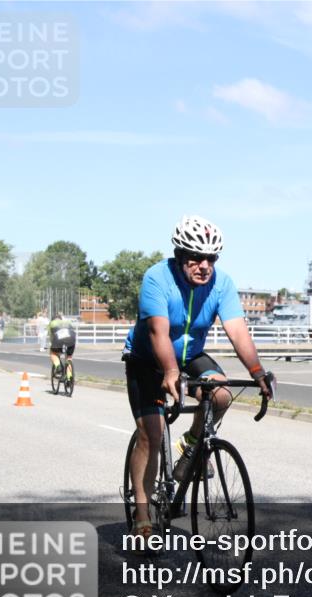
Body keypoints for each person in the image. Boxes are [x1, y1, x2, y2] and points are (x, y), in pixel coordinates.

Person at [124, 215, 271, 544]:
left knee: (219, 394)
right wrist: (171, 372)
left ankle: (191, 449)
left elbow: (237, 330)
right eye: (195, 258)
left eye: (211, 258)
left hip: (190, 355)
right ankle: (143, 514)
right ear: (179, 255)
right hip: (148, 359)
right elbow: (157, 331)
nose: (204, 265)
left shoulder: (223, 284)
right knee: (152, 432)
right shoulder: (157, 278)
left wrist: (257, 373)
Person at [47, 313, 77, 379]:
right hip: (71, 339)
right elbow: (72, 331)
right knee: (69, 357)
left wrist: (52, 346)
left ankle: (58, 366)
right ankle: (69, 377)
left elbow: (51, 338)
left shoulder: (52, 323)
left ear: (53, 319)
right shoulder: (67, 322)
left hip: (58, 340)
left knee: (53, 352)